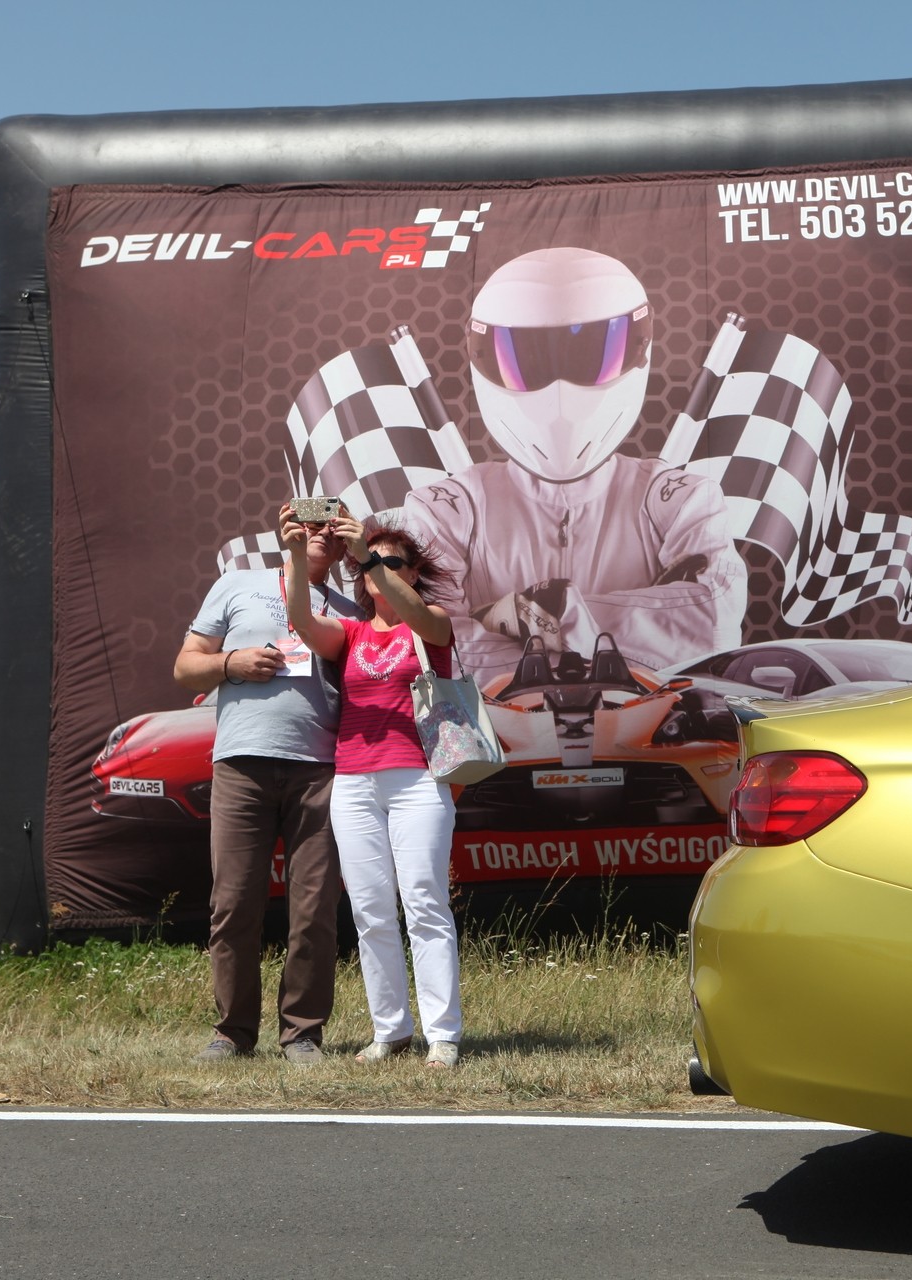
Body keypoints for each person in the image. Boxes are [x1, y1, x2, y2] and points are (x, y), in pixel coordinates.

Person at [401, 246, 747, 684]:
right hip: (516, 733)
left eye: (588, 354)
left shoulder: (681, 500)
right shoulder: (445, 509)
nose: (560, 392)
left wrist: (538, 618)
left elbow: (713, 625)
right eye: (528, 358)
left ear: (640, 348)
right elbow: (429, 649)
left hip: (644, 728)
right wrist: (577, 624)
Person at [173, 506, 362, 1066]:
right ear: (289, 528)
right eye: (311, 521)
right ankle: (232, 1032)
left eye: (333, 525)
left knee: (315, 908)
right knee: (233, 904)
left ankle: (302, 1032)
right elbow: (185, 667)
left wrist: (368, 550)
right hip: (241, 765)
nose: (321, 532)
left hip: (321, 771)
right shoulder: (238, 585)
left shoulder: (353, 610)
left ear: (345, 542)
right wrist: (231, 662)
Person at [282, 505, 464, 1067]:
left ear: (412, 572)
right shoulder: (353, 631)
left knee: (425, 902)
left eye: (392, 562)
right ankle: (391, 1030)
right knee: (369, 909)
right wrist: (295, 554)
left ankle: (442, 1036)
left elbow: (422, 617)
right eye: (370, 564)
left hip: (417, 778)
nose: (378, 570)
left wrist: (365, 553)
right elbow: (301, 621)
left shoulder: (430, 622)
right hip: (354, 782)